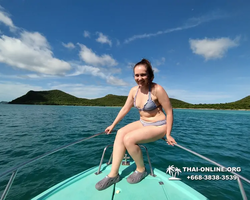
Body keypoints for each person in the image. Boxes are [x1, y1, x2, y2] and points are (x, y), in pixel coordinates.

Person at [95, 58, 176, 190]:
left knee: (129, 139)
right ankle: (113, 174)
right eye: (137, 75)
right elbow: (125, 109)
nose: (139, 78)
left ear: (150, 75)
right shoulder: (134, 91)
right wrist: (113, 125)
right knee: (121, 133)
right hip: (143, 122)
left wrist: (168, 134)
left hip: (159, 125)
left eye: (143, 74)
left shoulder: (157, 89)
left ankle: (141, 169)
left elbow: (170, 112)